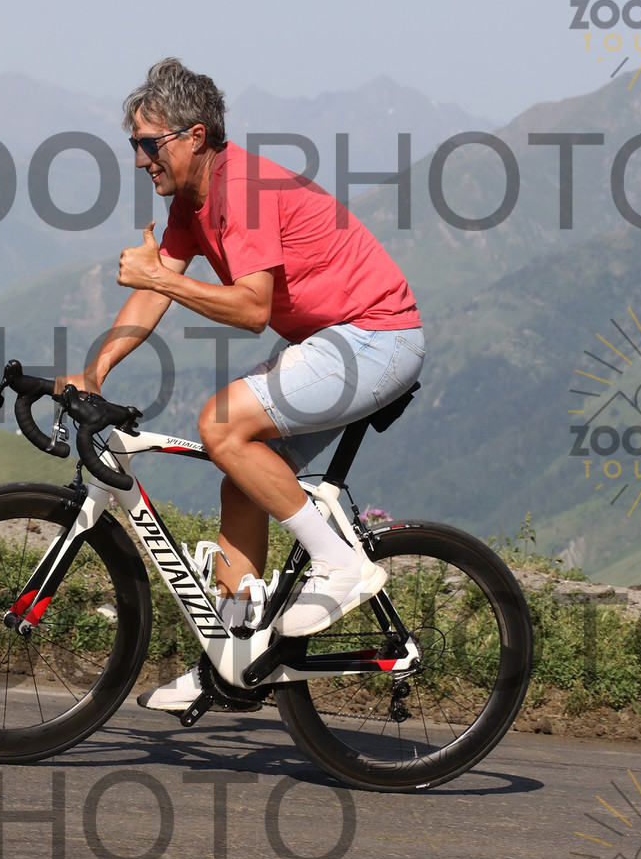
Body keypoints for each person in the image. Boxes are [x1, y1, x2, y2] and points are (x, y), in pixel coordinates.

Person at [63, 58, 424, 714]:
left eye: (150, 144)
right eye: (135, 145)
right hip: (332, 340)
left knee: (221, 423)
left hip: (376, 337)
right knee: (242, 480)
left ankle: (341, 564)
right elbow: (155, 292)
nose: (141, 159)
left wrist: (159, 276)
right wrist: (95, 371)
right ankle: (231, 661)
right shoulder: (189, 204)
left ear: (195, 136)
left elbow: (252, 308)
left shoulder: (245, 190)